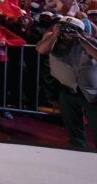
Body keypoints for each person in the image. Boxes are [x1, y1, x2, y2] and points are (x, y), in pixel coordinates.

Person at [36, 17, 97, 151]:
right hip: (67, 90)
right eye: (64, 28)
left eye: (71, 29)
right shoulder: (51, 39)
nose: (67, 32)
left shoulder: (90, 42)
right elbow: (41, 50)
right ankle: (78, 151)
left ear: (81, 31)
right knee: (73, 128)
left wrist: (82, 40)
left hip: (91, 93)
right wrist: (54, 35)